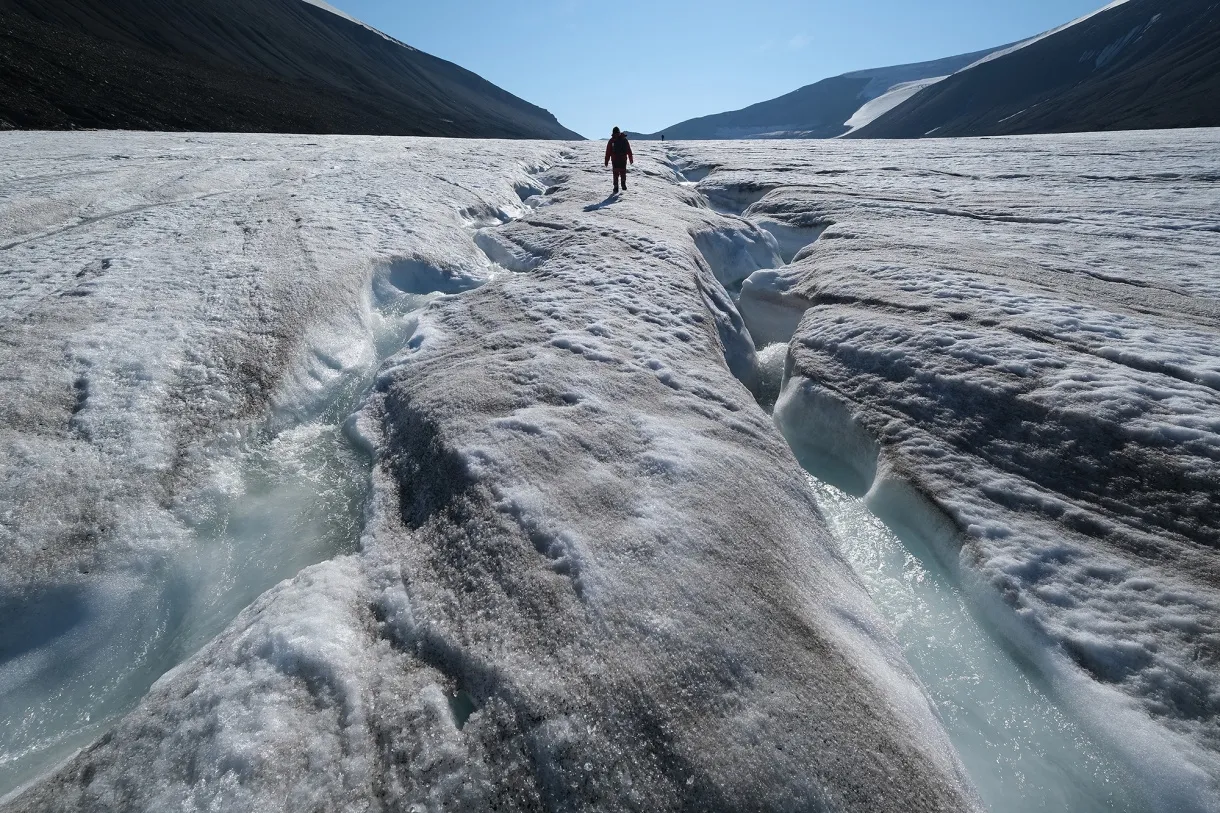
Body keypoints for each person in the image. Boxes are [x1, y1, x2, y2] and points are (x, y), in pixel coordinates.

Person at [604, 127, 633, 194]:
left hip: (615, 160)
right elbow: (628, 149)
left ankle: (616, 187)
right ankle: (623, 183)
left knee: (615, 173)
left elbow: (608, 151)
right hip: (623, 159)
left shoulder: (612, 140)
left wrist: (606, 160)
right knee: (623, 172)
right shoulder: (624, 139)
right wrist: (630, 158)